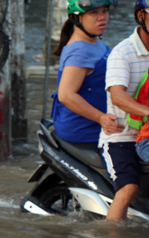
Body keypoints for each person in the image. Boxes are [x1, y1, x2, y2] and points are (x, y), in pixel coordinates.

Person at [99, 0, 149, 220]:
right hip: (122, 137)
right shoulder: (123, 53)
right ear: (141, 16)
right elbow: (118, 96)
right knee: (128, 188)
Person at [51, 0, 121, 145]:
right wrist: (101, 118)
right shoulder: (80, 52)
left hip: (99, 125)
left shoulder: (94, 44)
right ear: (77, 17)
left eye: (105, 11)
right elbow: (66, 95)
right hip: (85, 131)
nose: (102, 17)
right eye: (94, 12)